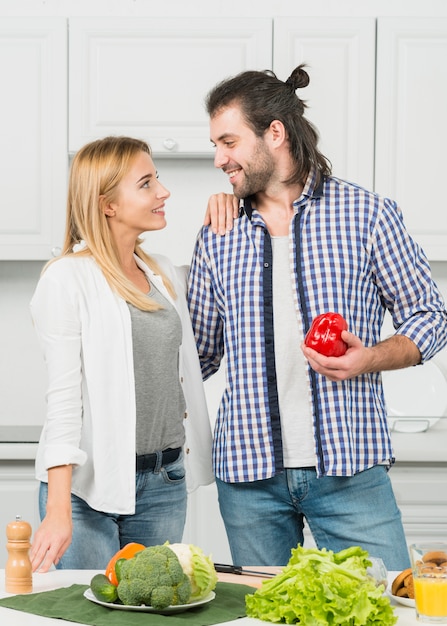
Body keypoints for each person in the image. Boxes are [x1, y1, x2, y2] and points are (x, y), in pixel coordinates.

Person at [187, 65, 447, 570]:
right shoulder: (217, 233)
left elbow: (430, 314)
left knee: (381, 613)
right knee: (265, 618)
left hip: (350, 470)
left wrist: (371, 357)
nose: (219, 159)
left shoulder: (367, 214)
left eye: (229, 141)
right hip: (248, 478)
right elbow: (198, 354)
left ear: (275, 134)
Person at [29, 136, 219, 572]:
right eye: (147, 184)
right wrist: (58, 511)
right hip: (86, 492)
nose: (163, 192)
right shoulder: (66, 280)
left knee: (150, 615)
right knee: (92, 616)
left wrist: (231, 205)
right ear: (108, 204)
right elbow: (63, 405)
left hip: (165, 482)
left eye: (159, 180)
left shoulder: (164, 272)